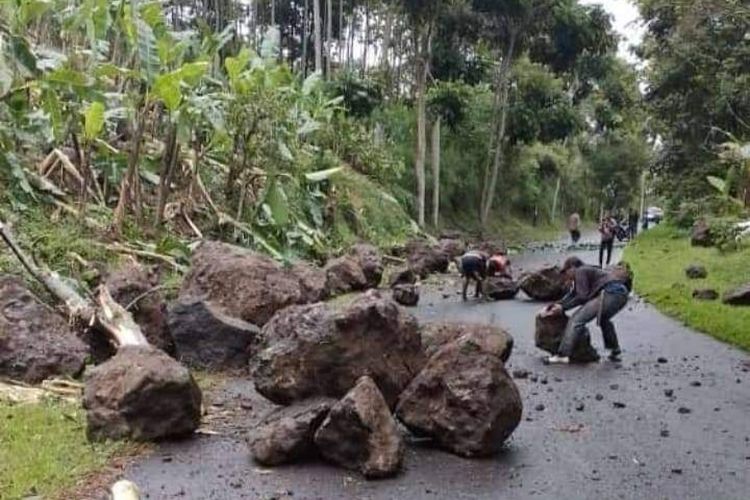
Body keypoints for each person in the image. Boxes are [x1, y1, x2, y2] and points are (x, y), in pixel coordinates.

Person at [545, 257, 631, 364]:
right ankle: (615, 349)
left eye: (566, 272)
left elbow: (582, 297)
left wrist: (562, 308)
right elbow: (573, 294)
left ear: (572, 267)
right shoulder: (585, 271)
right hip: (621, 293)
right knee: (604, 319)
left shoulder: (581, 271)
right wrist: (559, 304)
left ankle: (563, 354)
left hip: (610, 292)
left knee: (576, 320)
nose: (566, 276)